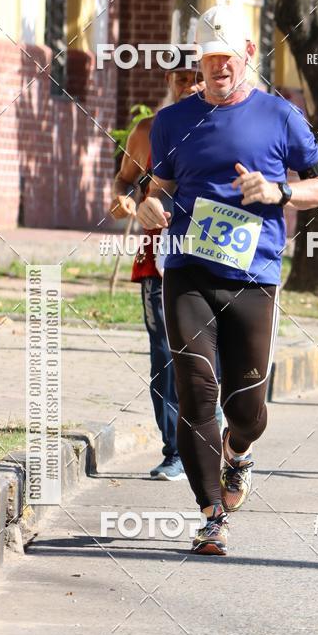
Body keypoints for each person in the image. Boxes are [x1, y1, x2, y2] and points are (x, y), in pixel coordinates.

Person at [137, 4, 318, 555]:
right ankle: (210, 517)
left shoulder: (281, 116)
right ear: (197, 63)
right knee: (197, 389)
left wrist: (279, 192)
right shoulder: (173, 121)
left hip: (254, 274)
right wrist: (149, 206)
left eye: (228, 57)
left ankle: (238, 451)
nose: (219, 67)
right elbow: (156, 187)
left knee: (246, 405)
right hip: (187, 269)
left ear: (248, 55)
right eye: (209, 59)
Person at [109, 51, 204, 480]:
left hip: (212, 256)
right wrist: (125, 199)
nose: (190, 86)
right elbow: (126, 178)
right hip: (158, 259)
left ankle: (210, 440)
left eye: (197, 78)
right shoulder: (148, 130)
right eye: (182, 78)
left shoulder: (226, 126)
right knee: (164, 354)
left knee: (208, 354)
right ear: (169, 79)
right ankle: (175, 451)